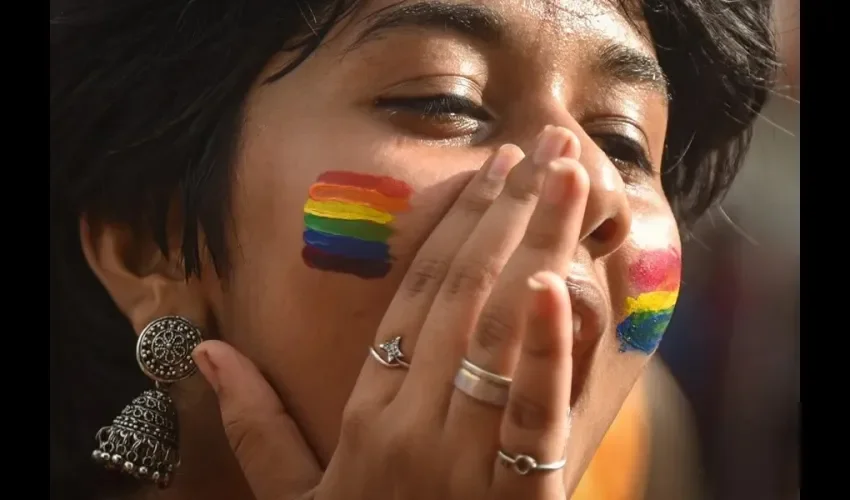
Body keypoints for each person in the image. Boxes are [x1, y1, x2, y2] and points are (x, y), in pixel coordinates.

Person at [49, 0, 776, 499]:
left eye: (623, 143)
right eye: (445, 101)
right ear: (152, 243)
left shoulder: (651, 452)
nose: (583, 179)